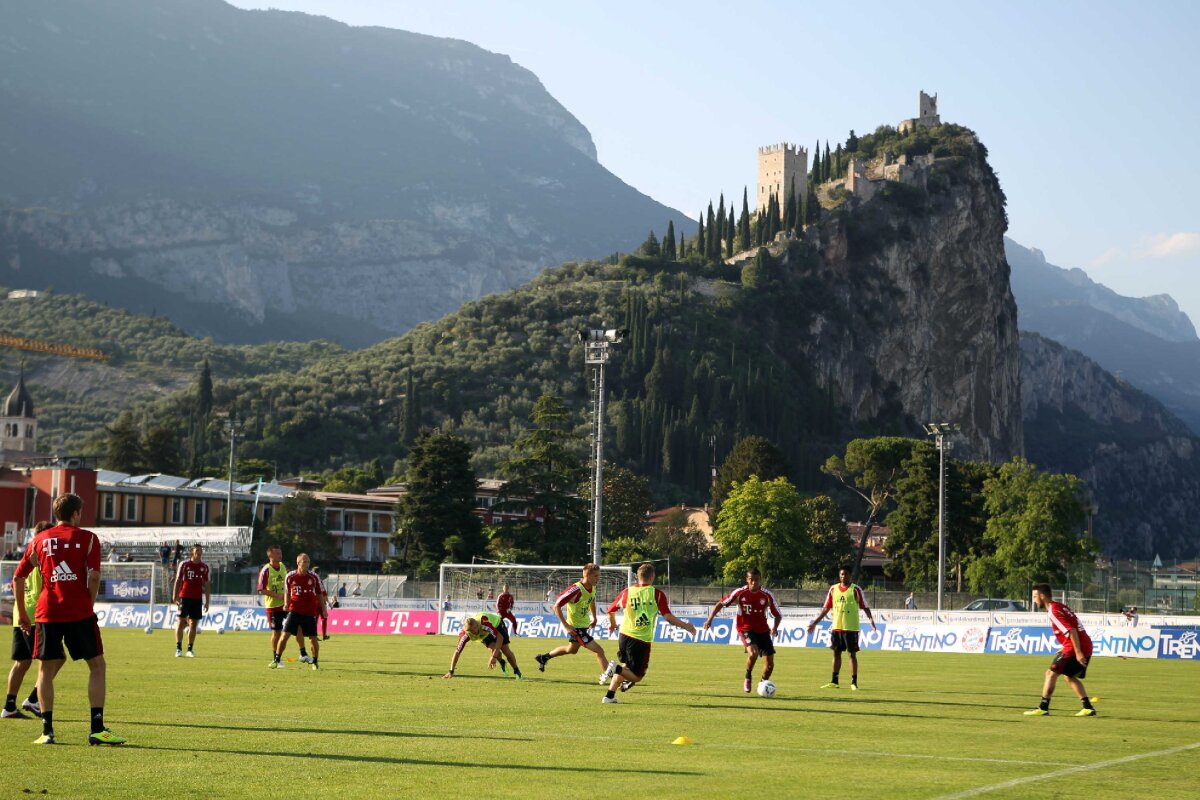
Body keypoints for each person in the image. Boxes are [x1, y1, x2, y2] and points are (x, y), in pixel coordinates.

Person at [12, 494, 126, 745]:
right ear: (75, 514)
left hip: (47, 612)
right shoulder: (88, 539)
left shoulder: (40, 540)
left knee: (45, 669)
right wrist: (89, 602)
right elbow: (94, 576)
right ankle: (97, 728)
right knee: (97, 665)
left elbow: (18, 577)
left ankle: (47, 731)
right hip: (79, 612)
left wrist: (21, 613)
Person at [600, 563, 696, 704]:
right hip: (640, 639)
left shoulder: (627, 592)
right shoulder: (656, 594)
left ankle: (609, 696)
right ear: (652, 576)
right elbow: (668, 617)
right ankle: (614, 668)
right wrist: (686, 626)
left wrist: (613, 624)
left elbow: (610, 610)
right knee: (637, 676)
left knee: (626, 667)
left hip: (624, 636)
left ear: (638, 577)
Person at [702, 568, 782, 693]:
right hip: (745, 628)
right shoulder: (740, 593)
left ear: (760, 580)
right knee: (753, 653)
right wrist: (710, 619)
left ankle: (762, 685)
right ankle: (748, 676)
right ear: (747, 580)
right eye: (751, 580)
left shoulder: (766, 595)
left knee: (770, 666)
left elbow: (778, 614)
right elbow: (721, 604)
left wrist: (775, 628)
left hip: (763, 630)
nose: (754, 583)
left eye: (757, 580)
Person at [1024, 583, 1096, 717]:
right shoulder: (1060, 606)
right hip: (1082, 645)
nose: (1034, 600)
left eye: (1035, 597)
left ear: (1042, 596)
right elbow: (1073, 627)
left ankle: (1043, 707)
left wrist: (1078, 652)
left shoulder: (1054, 611)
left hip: (1076, 648)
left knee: (1050, 674)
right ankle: (1088, 707)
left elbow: (1072, 630)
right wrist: (1066, 646)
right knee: (1069, 676)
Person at [4, 522, 50, 720]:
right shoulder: (43, 558)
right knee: (54, 660)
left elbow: (15, 585)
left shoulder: (26, 557)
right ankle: (33, 699)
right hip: (36, 616)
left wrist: (22, 610)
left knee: (21, 662)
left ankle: (9, 706)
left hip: (19, 614)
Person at [806, 567, 878, 690]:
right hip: (837, 628)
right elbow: (826, 608)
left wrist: (872, 622)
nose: (843, 576)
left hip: (851, 628)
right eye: (841, 574)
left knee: (852, 655)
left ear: (850, 575)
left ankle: (854, 682)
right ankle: (834, 681)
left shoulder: (855, 589)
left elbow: (865, 607)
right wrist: (815, 623)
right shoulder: (833, 589)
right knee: (836, 654)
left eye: (845, 574)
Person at [535, 564, 609, 680]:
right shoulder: (576, 589)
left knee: (571, 650)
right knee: (599, 651)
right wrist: (567, 626)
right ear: (587, 575)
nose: (598, 578)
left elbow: (592, 600)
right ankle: (612, 678)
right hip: (576, 628)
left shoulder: (593, 587)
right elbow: (557, 606)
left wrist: (594, 617)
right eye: (596, 576)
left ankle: (543, 658)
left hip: (583, 625)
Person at [271, 554, 326, 670]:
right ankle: (276, 659)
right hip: (294, 611)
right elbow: (287, 592)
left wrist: (324, 610)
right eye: (304, 561)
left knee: (313, 638)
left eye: (308, 561)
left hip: (310, 613)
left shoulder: (314, 577)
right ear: (298, 562)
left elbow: (320, 595)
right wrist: (286, 603)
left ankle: (315, 662)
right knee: (284, 635)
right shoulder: (290, 576)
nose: (307, 564)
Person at [443, 612, 522, 680]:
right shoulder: (465, 635)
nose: (474, 632)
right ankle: (502, 662)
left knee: (505, 650)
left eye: (475, 628)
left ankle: (517, 671)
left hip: (497, 625)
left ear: (477, 625)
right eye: (471, 631)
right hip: (484, 634)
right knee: (494, 651)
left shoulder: (484, 624)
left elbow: (500, 637)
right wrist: (451, 671)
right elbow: (457, 651)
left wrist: (493, 657)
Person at [257, 545, 296, 662]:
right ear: (271, 555)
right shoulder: (266, 570)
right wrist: (277, 595)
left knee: (298, 627)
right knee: (276, 633)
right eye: (278, 553)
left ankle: (303, 653)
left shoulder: (283, 566)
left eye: (281, 553)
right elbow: (260, 589)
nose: (281, 555)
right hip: (273, 607)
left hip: (286, 604)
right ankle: (276, 657)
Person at [172, 544, 211, 658]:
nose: (199, 552)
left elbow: (207, 585)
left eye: (200, 550)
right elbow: (178, 580)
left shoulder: (204, 567)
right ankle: (178, 648)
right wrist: (175, 596)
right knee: (180, 621)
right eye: (197, 550)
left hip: (197, 599)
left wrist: (207, 601)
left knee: (193, 624)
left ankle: (190, 649)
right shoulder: (184, 565)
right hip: (184, 597)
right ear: (192, 552)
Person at [313, 566, 331, 640]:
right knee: (324, 618)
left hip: (313, 602)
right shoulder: (319, 580)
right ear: (319, 573)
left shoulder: (309, 579)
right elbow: (323, 592)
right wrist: (328, 602)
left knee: (315, 619)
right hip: (320, 602)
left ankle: (314, 635)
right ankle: (324, 635)